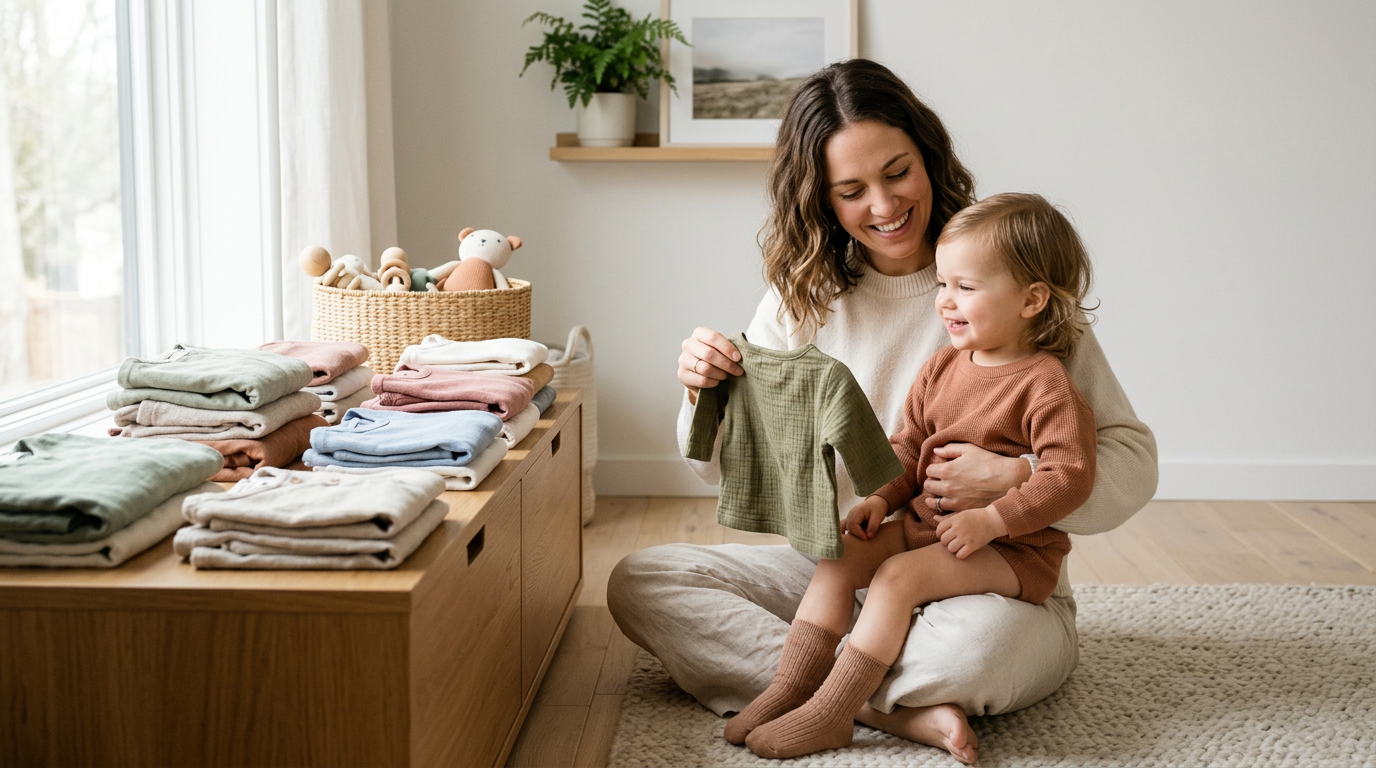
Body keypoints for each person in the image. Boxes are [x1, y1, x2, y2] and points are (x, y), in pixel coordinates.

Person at [607, 59, 1157, 765]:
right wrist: (701, 392)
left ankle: (823, 688)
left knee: (978, 653)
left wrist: (1013, 477)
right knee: (644, 582)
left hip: (985, 584)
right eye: (851, 190)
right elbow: (723, 472)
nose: (883, 205)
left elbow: (1130, 463)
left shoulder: (1006, 283)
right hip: (842, 571)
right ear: (821, 200)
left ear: (928, 158)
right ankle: (881, 710)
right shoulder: (800, 299)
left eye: (898, 172)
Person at [734, 192, 1098, 759]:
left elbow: (1069, 476)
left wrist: (994, 518)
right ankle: (790, 688)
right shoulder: (946, 365)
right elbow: (910, 447)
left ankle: (834, 713)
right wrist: (882, 498)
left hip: (1015, 551)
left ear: (1031, 300)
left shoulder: (1045, 384)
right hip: (931, 530)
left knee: (897, 579)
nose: (946, 302)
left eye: (966, 288)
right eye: (942, 286)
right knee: (837, 559)